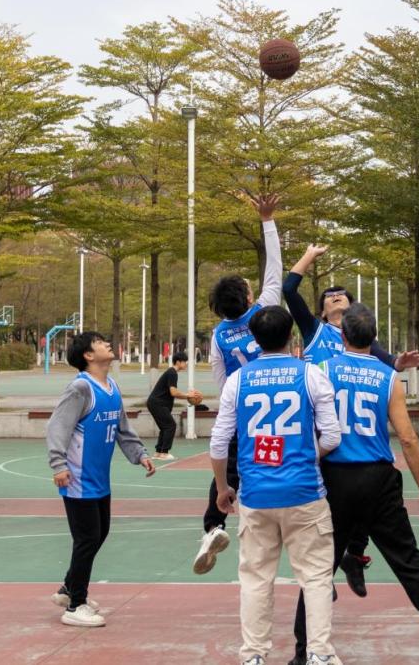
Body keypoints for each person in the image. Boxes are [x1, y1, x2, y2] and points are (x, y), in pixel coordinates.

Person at [289, 305, 419, 665]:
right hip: (378, 479)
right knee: (409, 564)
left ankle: (301, 653)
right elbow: (407, 438)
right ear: (374, 338)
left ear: (342, 336)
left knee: (318, 571)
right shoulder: (388, 378)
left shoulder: (320, 371)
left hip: (334, 479)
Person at [283, 243, 419, 597]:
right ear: (322, 310)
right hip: (321, 433)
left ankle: (354, 556)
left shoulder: (362, 339)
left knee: (363, 499)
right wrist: (309, 256)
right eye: (328, 296)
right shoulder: (314, 331)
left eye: (341, 294)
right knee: (324, 512)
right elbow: (289, 289)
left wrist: (400, 362)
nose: (334, 296)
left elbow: (387, 362)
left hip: (355, 435)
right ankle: (325, 573)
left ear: (351, 310)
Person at [210, 306, 343, 665]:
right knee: (316, 578)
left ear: (254, 339)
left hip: (255, 494)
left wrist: (223, 487)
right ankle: (319, 653)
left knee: (256, 578)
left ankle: (253, 655)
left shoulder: (237, 381)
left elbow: (219, 442)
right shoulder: (311, 374)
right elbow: (332, 436)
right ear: (291, 336)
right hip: (305, 492)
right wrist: (306, 455)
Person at [194, 193, 282, 574]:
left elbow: (222, 381)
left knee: (228, 471)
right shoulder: (264, 313)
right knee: (277, 462)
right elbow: (275, 268)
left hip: (240, 409)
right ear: (249, 296)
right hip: (275, 406)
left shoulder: (218, 337)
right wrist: (267, 220)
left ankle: (213, 526)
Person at [46, 331, 156, 627]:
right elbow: (57, 427)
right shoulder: (81, 388)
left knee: (100, 533)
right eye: (99, 342)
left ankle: (69, 589)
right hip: (77, 478)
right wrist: (58, 465)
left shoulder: (112, 387)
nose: (107, 343)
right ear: (88, 355)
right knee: (87, 538)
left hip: (99, 478)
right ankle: (75, 606)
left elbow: (122, 429)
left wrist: (139, 454)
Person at [146, 351, 203, 460]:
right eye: (184, 362)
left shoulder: (171, 372)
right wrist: (188, 395)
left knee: (165, 427)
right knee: (170, 426)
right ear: (178, 362)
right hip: (157, 403)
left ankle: (158, 452)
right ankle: (164, 453)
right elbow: (174, 392)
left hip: (155, 403)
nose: (186, 364)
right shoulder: (172, 373)